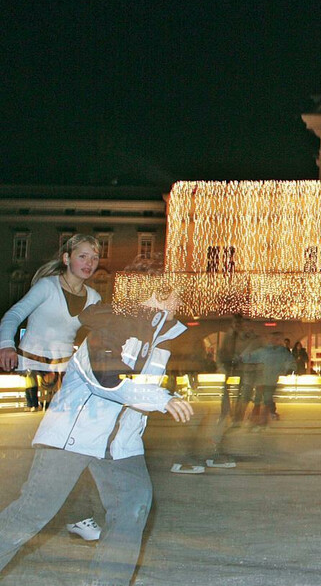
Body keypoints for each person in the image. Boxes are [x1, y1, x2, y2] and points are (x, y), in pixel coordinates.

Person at [0, 283, 194, 585]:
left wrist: (161, 396)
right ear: (149, 296)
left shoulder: (162, 340)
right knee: (31, 514)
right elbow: (104, 382)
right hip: (73, 435)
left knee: (133, 506)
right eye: (173, 294)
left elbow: (145, 387)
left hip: (120, 445)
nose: (180, 301)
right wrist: (162, 400)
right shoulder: (108, 327)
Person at [0, 234, 104, 542]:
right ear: (67, 259)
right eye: (83, 256)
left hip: (64, 378)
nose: (89, 263)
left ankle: (76, 515)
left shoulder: (94, 297)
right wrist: (7, 345)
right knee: (33, 450)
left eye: (94, 258)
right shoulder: (47, 287)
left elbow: (100, 335)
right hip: (31, 370)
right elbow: (12, 316)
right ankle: (20, 516)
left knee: (70, 447)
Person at [247, 333, 295, 429]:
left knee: (267, 399)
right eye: (274, 339)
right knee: (259, 398)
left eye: (277, 339)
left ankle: (262, 420)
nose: (276, 341)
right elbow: (251, 357)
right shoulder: (265, 350)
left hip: (271, 379)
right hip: (262, 378)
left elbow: (290, 361)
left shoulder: (282, 351)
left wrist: (289, 369)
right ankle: (256, 418)